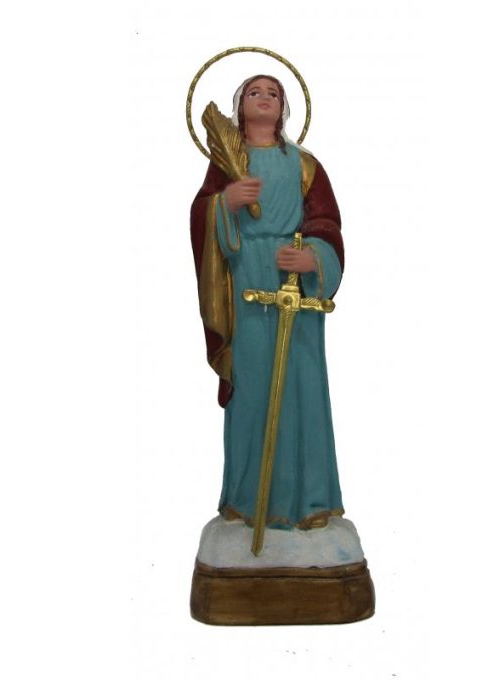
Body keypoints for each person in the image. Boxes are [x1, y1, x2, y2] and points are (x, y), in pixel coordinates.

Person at [190, 75, 345, 530]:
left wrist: (314, 257)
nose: (264, 98)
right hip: (245, 281)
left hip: (293, 284)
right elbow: (201, 215)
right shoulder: (225, 164)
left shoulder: (304, 165)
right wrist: (224, 203)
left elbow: (327, 224)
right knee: (253, 390)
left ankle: (308, 501)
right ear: (240, 106)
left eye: (273, 93)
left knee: (302, 388)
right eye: (254, 92)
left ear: (285, 108)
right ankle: (246, 499)